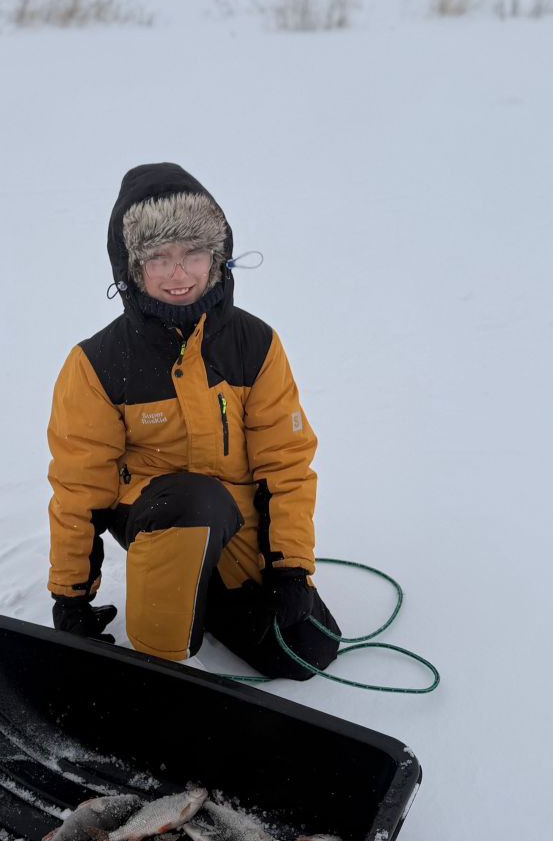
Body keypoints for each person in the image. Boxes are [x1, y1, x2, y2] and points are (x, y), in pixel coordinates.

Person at [45, 162, 341, 680]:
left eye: (192, 253)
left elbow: (285, 464)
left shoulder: (257, 344)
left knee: (307, 650)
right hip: (157, 511)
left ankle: (204, 591)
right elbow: (79, 487)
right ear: (133, 267)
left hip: (236, 518)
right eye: (158, 257)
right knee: (194, 499)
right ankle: (161, 664)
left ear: (217, 257)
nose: (178, 275)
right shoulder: (95, 363)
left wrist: (291, 569)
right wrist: (71, 596)